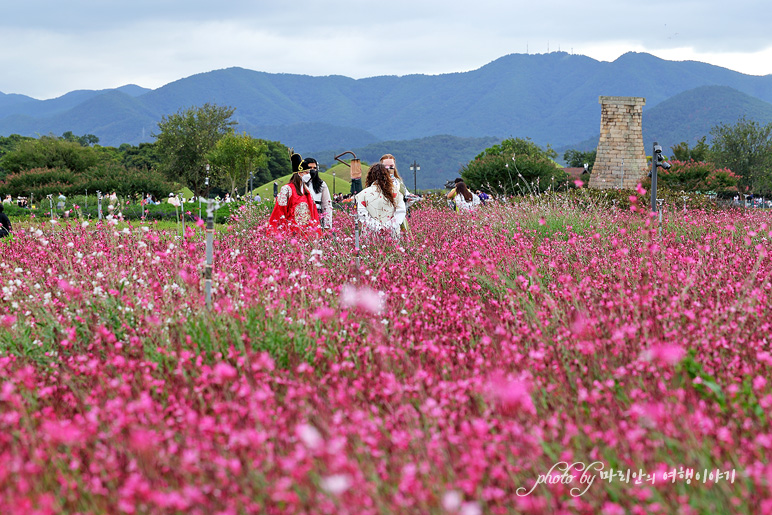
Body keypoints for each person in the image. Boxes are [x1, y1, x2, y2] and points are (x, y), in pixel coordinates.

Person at [268, 153, 322, 239]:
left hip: (306, 234)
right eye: (306, 172)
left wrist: (315, 233)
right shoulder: (287, 189)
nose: (308, 174)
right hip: (291, 233)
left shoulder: (307, 191)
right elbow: (279, 212)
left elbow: (313, 213)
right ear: (299, 173)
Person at [356, 163, 406, 239]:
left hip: (371, 235)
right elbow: (400, 213)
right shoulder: (396, 193)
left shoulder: (362, 195)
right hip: (392, 234)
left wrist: (378, 227)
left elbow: (363, 216)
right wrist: (388, 226)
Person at [307, 160, 333, 229]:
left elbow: (327, 205)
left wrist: (327, 225)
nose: (312, 170)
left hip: (317, 215)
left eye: (314, 168)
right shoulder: (299, 184)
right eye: (310, 168)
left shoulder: (321, 184)